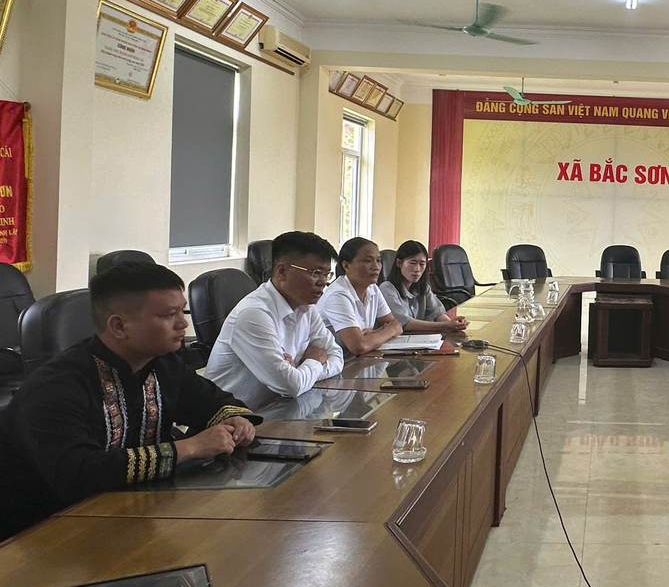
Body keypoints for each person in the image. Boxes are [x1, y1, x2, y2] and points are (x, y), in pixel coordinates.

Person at [0, 263, 260, 540]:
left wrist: (234, 420)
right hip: (39, 531)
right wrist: (190, 447)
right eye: (168, 315)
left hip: (129, 514)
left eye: (181, 312)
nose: (183, 324)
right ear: (119, 326)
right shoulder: (56, 387)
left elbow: (214, 401)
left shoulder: (163, 364)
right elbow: (77, 474)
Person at [206, 231, 344, 410]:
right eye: (316, 273)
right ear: (282, 271)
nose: (323, 282)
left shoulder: (307, 308)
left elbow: (337, 357)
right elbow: (291, 386)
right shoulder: (254, 314)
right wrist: (315, 361)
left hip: (278, 411)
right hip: (230, 419)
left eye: (327, 274)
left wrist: (301, 371)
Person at [317, 237, 403, 356]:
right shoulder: (337, 295)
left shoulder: (373, 288)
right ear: (346, 266)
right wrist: (389, 331)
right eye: (368, 261)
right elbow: (359, 346)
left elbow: (396, 325)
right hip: (335, 360)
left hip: (359, 357)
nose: (376, 267)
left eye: (378, 260)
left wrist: (374, 334)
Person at [379, 240, 468, 335]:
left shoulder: (423, 287)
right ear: (399, 263)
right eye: (412, 263)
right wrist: (447, 325)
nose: (417, 269)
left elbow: (437, 312)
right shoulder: (387, 288)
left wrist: (454, 324)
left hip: (420, 339)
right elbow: (405, 324)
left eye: (422, 264)